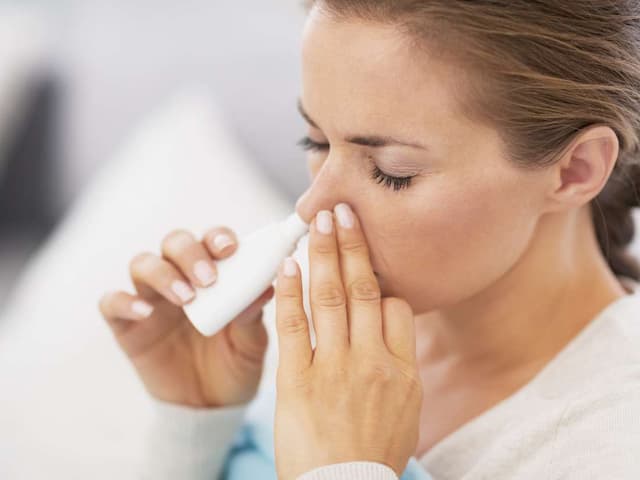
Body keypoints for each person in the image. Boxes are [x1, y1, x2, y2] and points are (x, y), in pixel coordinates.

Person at [98, 1, 640, 479]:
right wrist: (195, 426)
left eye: (391, 171)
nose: (311, 206)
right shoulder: (339, 350)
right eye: (315, 140)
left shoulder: (610, 445)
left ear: (574, 169)